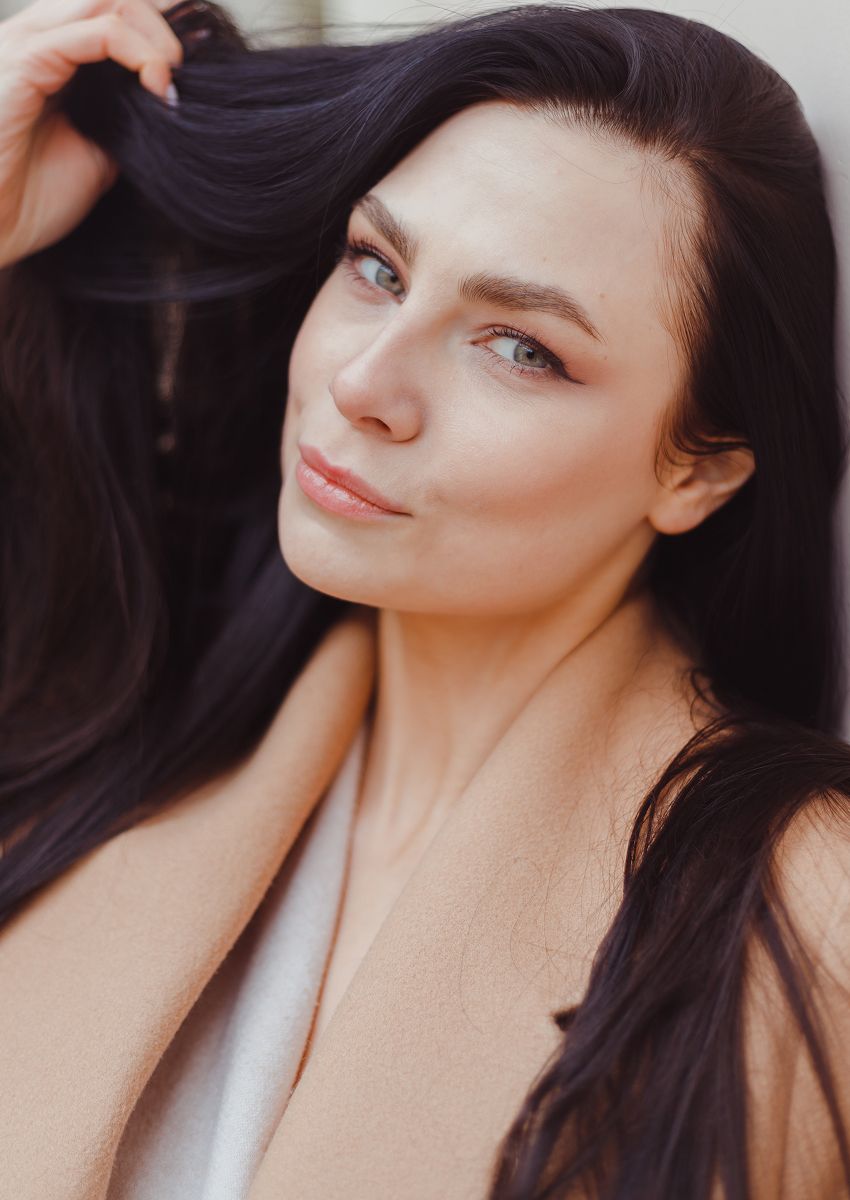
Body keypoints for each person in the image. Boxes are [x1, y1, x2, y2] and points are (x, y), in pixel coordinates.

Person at [1, 0, 849, 1196]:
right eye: (375, 267)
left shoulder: (805, 920)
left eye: (518, 347)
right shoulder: (117, 706)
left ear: (695, 466)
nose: (363, 383)